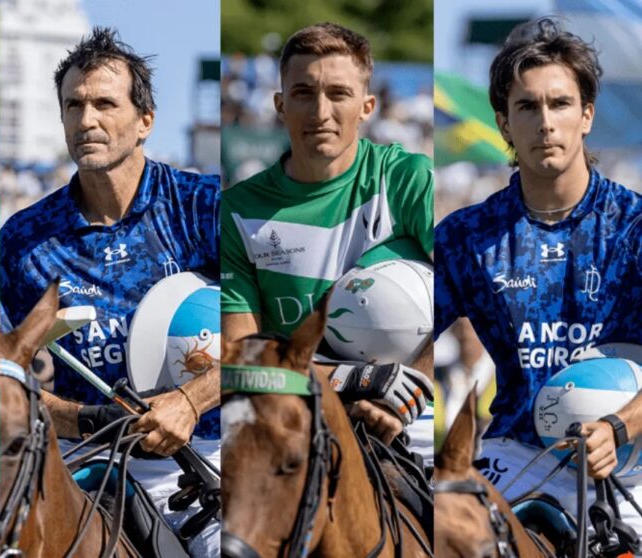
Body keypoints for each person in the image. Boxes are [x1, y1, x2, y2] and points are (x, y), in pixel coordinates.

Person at [0, 27, 220, 557]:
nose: (87, 120)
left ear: (145, 121)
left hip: (212, 454)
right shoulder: (22, 241)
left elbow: (268, 339)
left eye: (104, 104)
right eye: (73, 106)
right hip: (86, 465)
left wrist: (190, 402)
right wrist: (84, 419)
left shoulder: (207, 206)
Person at [434, 17, 642, 532]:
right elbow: (404, 342)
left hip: (630, 461)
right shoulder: (464, 237)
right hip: (514, 456)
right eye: (527, 107)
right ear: (504, 124)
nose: (545, 122)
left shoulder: (634, 228)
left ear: (586, 115)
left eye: (560, 104)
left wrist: (620, 426)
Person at [220, 22, 434, 454]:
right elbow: (238, 358)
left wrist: (412, 391)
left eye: (338, 94)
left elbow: (465, 301)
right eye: (303, 93)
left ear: (367, 106)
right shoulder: (236, 211)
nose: (321, 112)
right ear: (280, 104)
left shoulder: (408, 179)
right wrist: (353, 379)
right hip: (300, 428)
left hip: (415, 424)